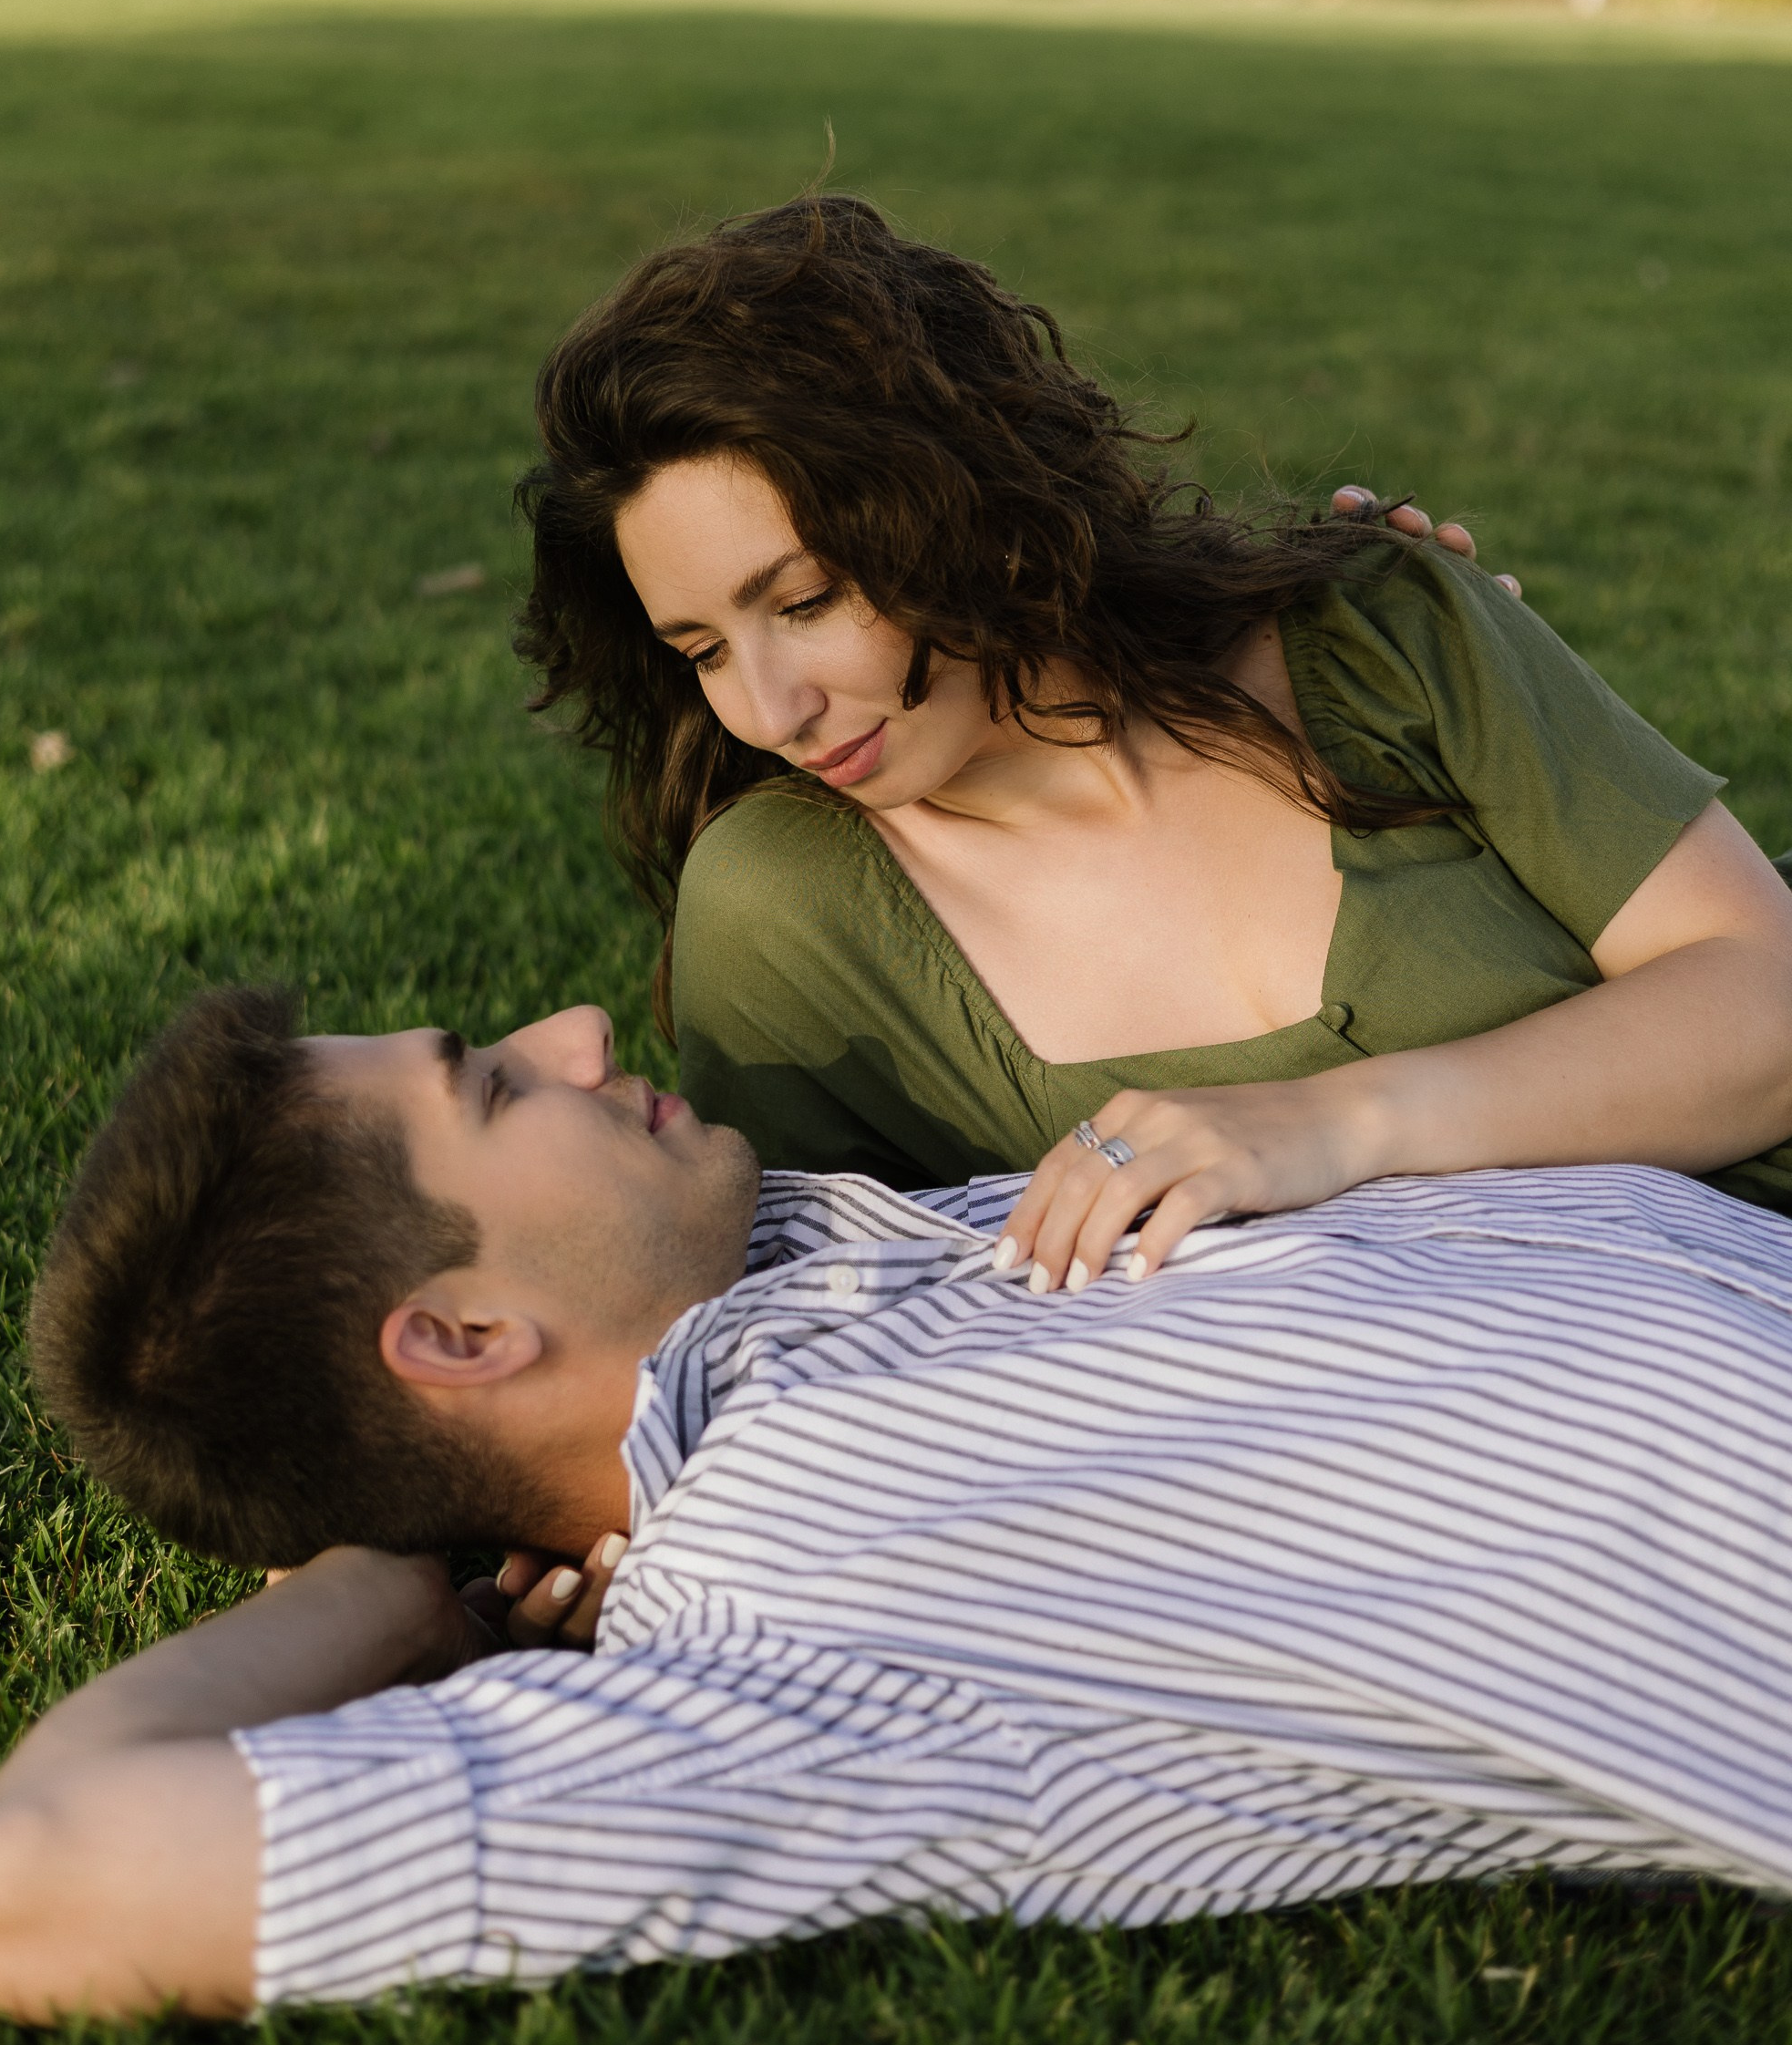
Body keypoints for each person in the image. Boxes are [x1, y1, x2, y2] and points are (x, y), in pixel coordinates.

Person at [0, 986, 1792, 2020]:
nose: (573, 1028)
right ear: (464, 1332)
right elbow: (21, 1888)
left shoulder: (844, 1245)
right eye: (493, 1081)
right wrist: (386, 1595)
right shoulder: (788, 1630)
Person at [517, 195, 1792, 1285]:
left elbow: (1765, 999)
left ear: (973, 509)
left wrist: (1332, 1128)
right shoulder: (788, 919)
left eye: (806, 603)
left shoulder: (1374, 629)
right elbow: (821, 1331)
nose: (766, 709)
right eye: (702, 652)